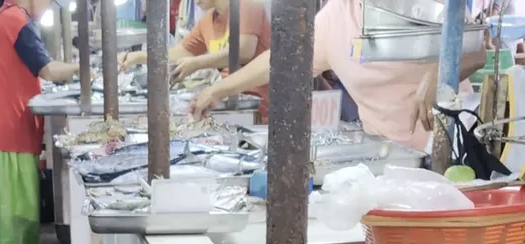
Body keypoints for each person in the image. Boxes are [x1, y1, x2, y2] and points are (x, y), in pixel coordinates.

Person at [189, 0, 484, 147]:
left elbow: (476, 48)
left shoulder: (421, 4)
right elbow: (282, 59)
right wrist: (218, 90)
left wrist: (439, 73)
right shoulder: (337, 15)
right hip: (387, 152)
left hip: (451, 146)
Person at [0, 0, 77, 244]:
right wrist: (86, 67)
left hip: (9, 128)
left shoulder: (6, 17)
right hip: (11, 130)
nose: (48, 5)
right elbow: (48, 70)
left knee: (17, 209)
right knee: (18, 214)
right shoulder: (15, 21)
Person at [122, 0, 271, 117]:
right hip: (226, 101)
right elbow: (179, 53)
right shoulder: (207, 21)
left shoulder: (248, 5)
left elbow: (244, 50)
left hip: (258, 107)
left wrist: (197, 64)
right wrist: (136, 57)